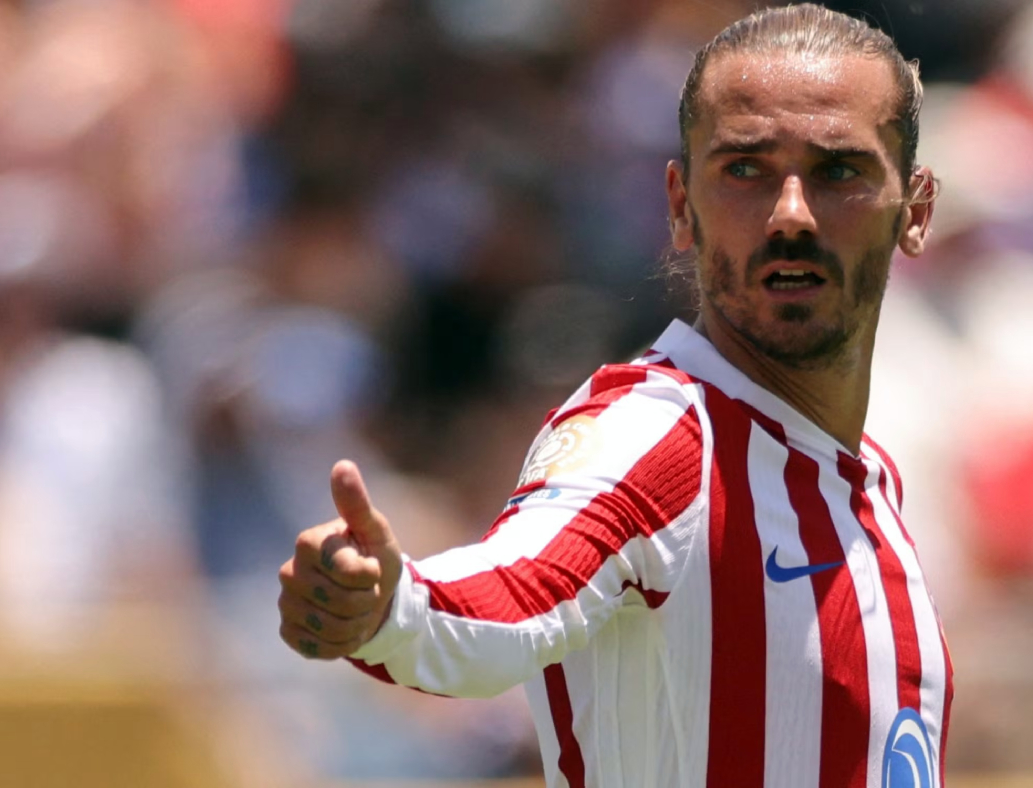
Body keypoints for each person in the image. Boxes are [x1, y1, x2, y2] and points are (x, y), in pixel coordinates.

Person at [277, 5, 953, 786]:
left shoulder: (872, 486)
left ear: (916, 211)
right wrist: (391, 610)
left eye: (839, 171)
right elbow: (515, 593)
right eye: (745, 170)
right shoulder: (657, 438)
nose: (791, 214)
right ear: (680, 206)